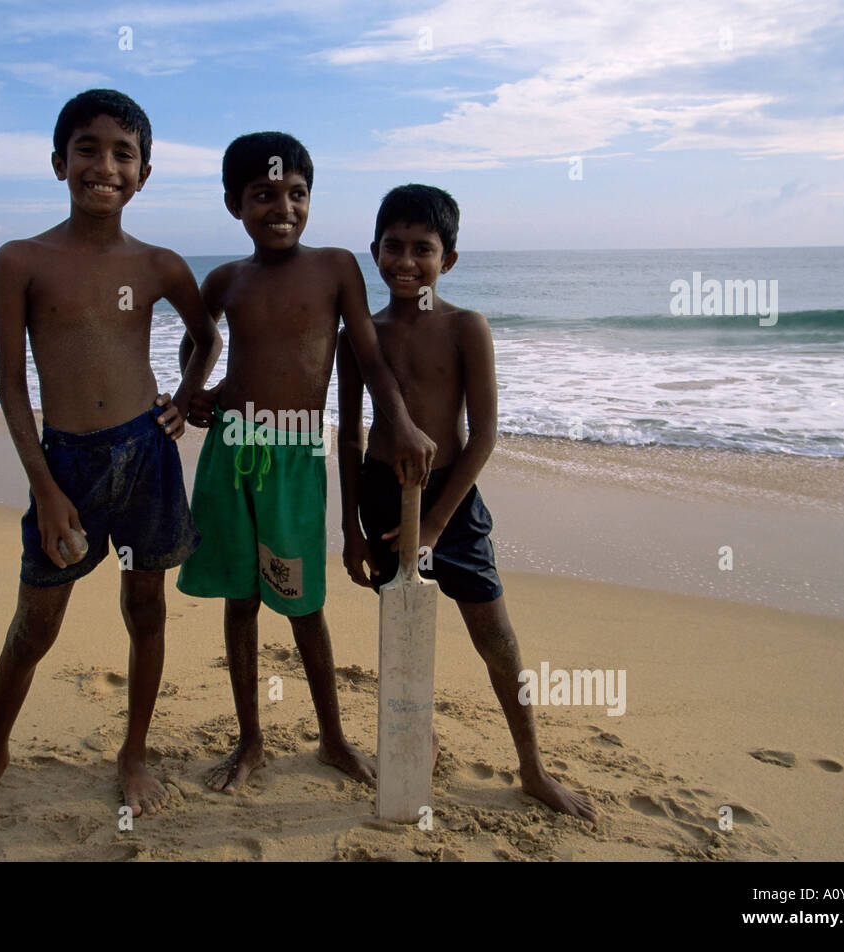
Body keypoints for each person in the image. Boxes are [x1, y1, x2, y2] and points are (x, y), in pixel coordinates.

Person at [0, 89, 222, 819]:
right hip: (65, 464)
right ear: (59, 161)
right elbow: (9, 382)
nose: (105, 166)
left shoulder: (161, 264)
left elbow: (207, 336)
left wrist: (184, 396)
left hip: (147, 455)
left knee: (146, 607)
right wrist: (46, 486)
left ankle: (134, 754)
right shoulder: (21, 260)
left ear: (145, 173)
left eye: (123, 154)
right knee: (37, 620)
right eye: (88, 149)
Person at [177, 132, 436, 794]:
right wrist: (192, 395)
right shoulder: (226, 279)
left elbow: (371, 357)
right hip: (231, 452)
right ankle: (251, 742)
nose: (282, 207)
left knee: (301, 604)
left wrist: (399, 419)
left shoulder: (335, 268)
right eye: (264, 195)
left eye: (296, 193)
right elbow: (200, 340)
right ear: (236, 203)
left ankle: (332, 739)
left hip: (294, 457)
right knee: (239, 601)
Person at [337, 183, 597, 822]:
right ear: (374, 251)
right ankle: (418, 737)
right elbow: (350, 433)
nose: (405, 261)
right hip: (381, 502)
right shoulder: (361, 335)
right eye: (392, 246)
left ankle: (532, 766)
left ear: (446, 259)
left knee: (497, 637)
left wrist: (433, 525)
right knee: (405, 630)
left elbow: (483, 437)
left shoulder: (465, 327)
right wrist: (349, 526)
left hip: (449, 501)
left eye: (422, 249)